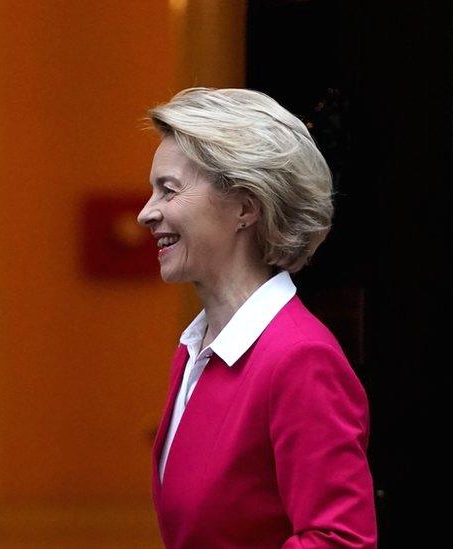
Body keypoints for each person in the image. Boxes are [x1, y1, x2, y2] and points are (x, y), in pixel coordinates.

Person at [138, 88, 376, 548]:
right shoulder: (196, 350)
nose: (146, 212)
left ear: (245, 207)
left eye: (168, 189)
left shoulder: (299, 357)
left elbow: (340, 540)